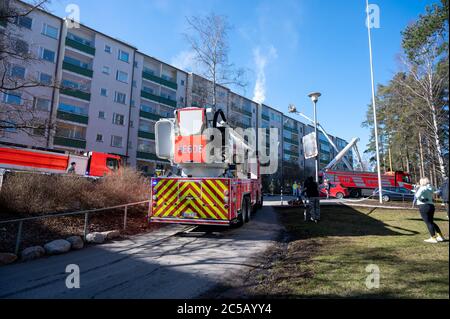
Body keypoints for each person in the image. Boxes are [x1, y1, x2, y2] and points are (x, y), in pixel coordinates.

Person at [414, 177, 445, 243]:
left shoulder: (422, 188)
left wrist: (421, 199)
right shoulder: (431, 187)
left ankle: (433, 238)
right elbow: (437, 191)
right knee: (431, 222)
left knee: (428, 222)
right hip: (431, 205)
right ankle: (440, 236)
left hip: (423, 206)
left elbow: (416, 196)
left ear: (422, 182)